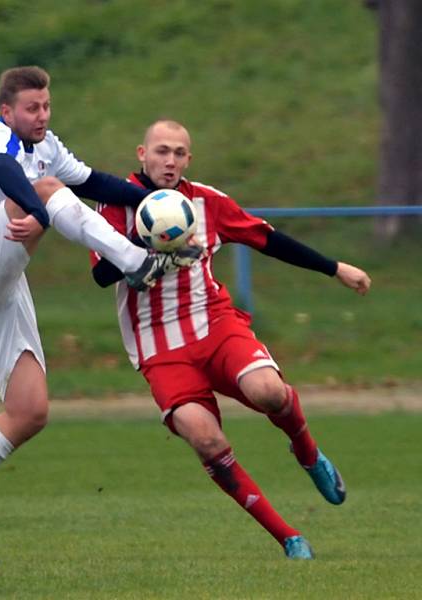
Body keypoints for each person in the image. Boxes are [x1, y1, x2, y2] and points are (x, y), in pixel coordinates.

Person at [0, 66, 200, 554]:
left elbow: (99, 184)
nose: (41, 115)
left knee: (30, 411)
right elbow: (7, 174)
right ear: (6, 111)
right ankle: (136, 262)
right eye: (31, 108)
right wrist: (38, 210)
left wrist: (159, 200)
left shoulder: (48, 145)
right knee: (49, 191)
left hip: (0, 286)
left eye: (46, 106)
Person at [90, 119, 372, 559]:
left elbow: (267, 239)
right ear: (141, 154)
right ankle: (288, 537)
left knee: (269, 392)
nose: (170, 161)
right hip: (158, 347)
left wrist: (335, 268)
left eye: (179, 153)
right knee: (207, 439)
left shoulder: (206, 201)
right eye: (161, 151)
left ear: (188, 159)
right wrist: (144, 239)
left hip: (214, 323)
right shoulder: (113, 206)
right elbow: (100, 275)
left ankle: (309, 454)